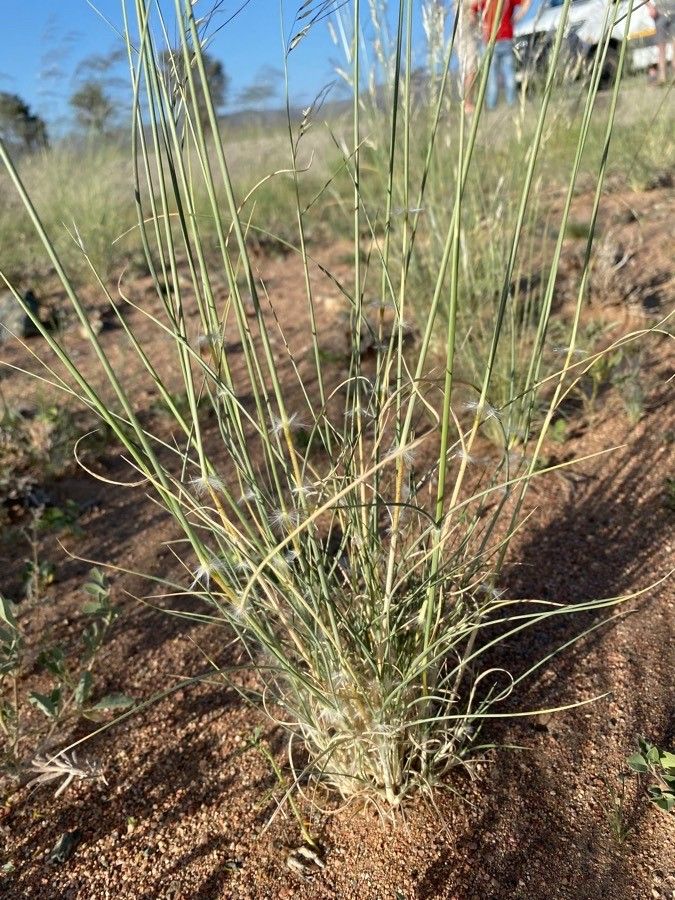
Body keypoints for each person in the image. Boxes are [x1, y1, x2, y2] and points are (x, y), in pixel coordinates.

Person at [471, 0, 532, 109]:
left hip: (492, 40)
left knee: (492, 77)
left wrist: (480, 26)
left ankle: (491, 106)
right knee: (509, 74)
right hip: (504, 39)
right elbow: (526, 2)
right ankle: (511, 104)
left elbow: (472, 10)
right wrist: (517, 17)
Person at [456, 0, 481, 113]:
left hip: (467, 36)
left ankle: (468, 102)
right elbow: (472, 9)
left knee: (470, 71)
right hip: (466, 37)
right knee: (471, 70)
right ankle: (468, 104)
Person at [648, 0, 674, 85]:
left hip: (673, 10)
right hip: (660, 12)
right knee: (661, 47)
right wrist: (650, 6)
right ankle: (663, 77)